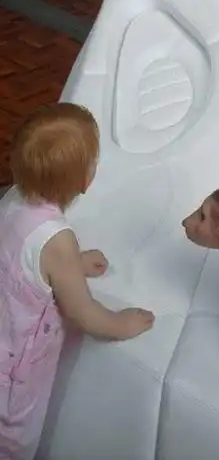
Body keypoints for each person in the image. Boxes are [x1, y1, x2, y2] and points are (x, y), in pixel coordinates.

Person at [0, 102, 155, 460]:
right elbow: (82, 312)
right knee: (14, 443)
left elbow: (19, 258)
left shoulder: (11, 199)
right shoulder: (57, 241)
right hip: (15, 374)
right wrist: (121, 323)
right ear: (84, 181)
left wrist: (74, 264)